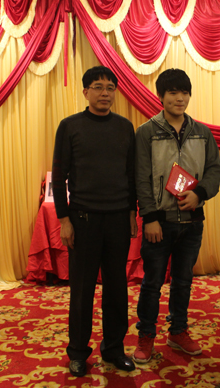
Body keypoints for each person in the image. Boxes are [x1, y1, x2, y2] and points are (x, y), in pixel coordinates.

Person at [51, 66, 138, 377]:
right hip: (83, 220)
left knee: (117, 289)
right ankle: (77, 352)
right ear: (85, 91)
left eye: (110, 88)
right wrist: (64, 219)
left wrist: (132, 212)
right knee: (82, 290)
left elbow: (131, 174)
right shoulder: (70, 126)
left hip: (117, 220)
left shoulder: (125, 127)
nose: (105, 93)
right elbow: (58, 176)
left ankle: (114, 349)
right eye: (98, 87)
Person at [133, 68, 220, 363]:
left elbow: (214, 170)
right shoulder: (146, 132)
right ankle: (146, 335)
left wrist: (200, 193)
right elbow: (141, 178)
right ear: (161, 96)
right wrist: (150, 217)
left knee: (183, 281)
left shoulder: (202, 132)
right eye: (173, 92)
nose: (179, 98)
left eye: (184, 92)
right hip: (159, 222)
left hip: (192, 222)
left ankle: (178, 331)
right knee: (152, 283)